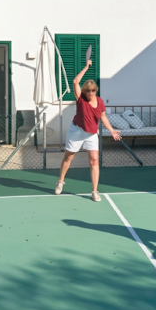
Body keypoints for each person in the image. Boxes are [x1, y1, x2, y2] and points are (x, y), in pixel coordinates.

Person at [54, 58, 121, 202]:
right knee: (69, 157)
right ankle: (60, 182)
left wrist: (112, 130)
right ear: (84, 91)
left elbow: (103, 117)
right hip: (76, 131)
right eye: (88, 90)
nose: (90, 92)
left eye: (93, 90)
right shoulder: (81, 99)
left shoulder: (100, 101)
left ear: (96, 90)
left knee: (94, 160)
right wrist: (86, 67)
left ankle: (94, 191)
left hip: (91, 134)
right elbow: (75, 82)